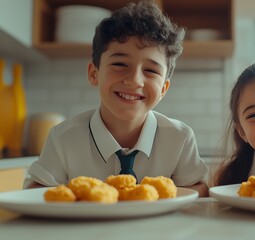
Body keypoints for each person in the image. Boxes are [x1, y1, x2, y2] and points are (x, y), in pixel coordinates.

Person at [24, 0, 209, 196]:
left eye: (150, 70)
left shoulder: (179, 138)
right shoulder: (63, 138)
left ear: (163, 89)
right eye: (120, 64)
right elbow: (34, 192)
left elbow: (199, 189)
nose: (134, 80)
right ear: (94, 73)